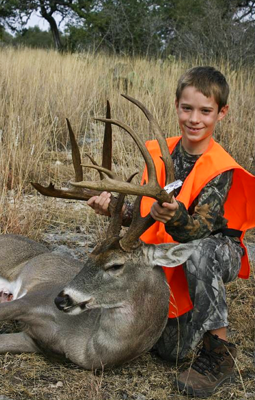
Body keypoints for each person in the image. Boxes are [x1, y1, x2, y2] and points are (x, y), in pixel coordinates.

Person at [87, 66, 255, 397]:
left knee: (200, 252)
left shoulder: (221, 169)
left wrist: (175, 215)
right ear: (176, 105)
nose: (195, 119)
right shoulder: (160, 155)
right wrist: (114, 208)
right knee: (169, 351)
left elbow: (199, 230)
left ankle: (218, 353)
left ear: (222, 113)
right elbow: (144, 216)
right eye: (187, 108)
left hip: (216, 250)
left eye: (206, 111)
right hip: (171, 255)